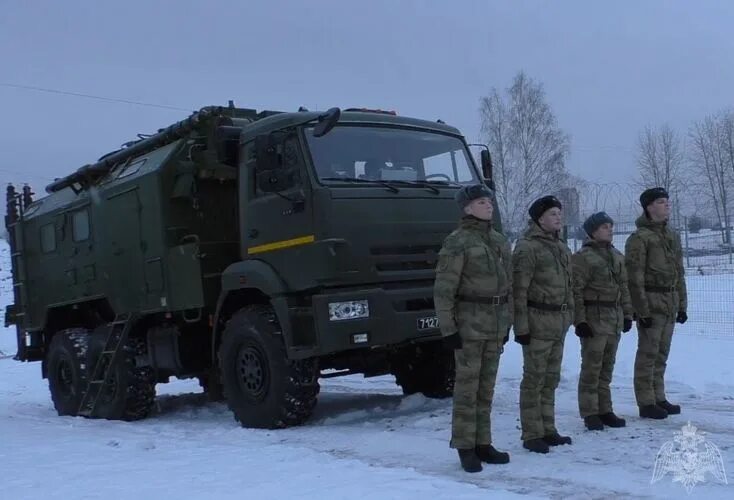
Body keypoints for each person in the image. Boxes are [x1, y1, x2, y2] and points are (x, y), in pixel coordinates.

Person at [433, 183, 513, 473]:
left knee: (486, 388)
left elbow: (509, 285)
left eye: (489, 201)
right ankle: (465, 446)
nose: (488, 205)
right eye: (481, 202)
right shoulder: (458, 242)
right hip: (469, 325)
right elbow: (444, 289)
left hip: (494, 324)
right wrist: (448, 329)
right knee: (467, 388)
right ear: (467, 208)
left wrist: (507, 322)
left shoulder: (498, 241)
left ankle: (483, 442)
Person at [513, 195, 574, 454]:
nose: (558, 217)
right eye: (552, 214)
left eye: (559, 213)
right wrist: (521, 327)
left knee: (551, 379)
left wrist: (569, 314)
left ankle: (548, 428)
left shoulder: (561, 247)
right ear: (539, 219)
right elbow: (518, 290)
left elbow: (569, 285)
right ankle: (531, 433)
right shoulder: (528, 248)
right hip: (537, 321)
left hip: (558, 322)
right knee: (534, 379)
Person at [624, 187, 688, 419]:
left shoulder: (671, 235)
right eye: (661, 202)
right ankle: (646, 401)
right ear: (649, 207)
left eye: (667, 201)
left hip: (669, 301)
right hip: (651, 301)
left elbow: (679, 272)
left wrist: (682, 304)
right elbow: (634, 277)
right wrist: (641, 310)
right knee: (648, 354)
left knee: (662, 353)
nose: (666, 205)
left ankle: (659, 396)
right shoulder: (640, 239)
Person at [572, 212, 633, 431]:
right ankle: (590, 412)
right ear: (593, 231)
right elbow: (575, 290)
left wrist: (627, 314)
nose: (610, 229)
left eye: (610, 226)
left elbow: (623, 287)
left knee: (607, 368)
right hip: (594, 318)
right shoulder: (583, 257)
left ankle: (605, 409)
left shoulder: (616, 255)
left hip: (613, 318)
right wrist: (580, 320)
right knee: (591, 367)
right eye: (605, 227)